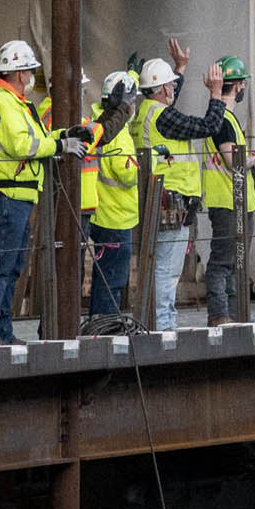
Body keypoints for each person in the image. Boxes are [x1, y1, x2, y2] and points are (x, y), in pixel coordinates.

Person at [0, 38, 84, 345]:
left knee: (11, 267)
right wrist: (61, 145)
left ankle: (1, 332)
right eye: (29, 70)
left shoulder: (14, 102)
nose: (32, 76)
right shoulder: (2, 101)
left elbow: (36, 138)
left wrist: (63, 136)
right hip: (7, 194)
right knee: (1, 264)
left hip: (17, 193)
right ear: (20, 72)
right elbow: (24, 145)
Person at [135, 42, 231, 331]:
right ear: (164, 90)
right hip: (170, 200)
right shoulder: (163, 117)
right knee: (167, 268)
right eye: (171, 86)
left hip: (162, 200)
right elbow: (208, 126)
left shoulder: (148, 112)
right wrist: (216, 94)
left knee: (160, 265)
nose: (174, 90)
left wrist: (180, 69)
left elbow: (170, 102)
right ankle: (162, 325)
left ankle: (158, 321)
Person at [198, 56, 255, 324]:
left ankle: (233, 315)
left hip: (236, 201)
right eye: (242, 84)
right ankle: (220, 315)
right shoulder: (223, 118)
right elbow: (234, 162)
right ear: (238, 85)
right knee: (224, 263)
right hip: (229, 200)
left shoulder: (222, 117)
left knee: (234, 264)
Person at [83, 71, 142, 322]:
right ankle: (105, 325)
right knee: (112, 279)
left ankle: (101, 322)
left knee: (104, 276)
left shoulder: (98, 119)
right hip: (116, 217)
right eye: (132, 100)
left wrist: (133, 73)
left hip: (103, 212)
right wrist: (142, 167)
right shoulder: (118, 132)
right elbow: (125, 171)